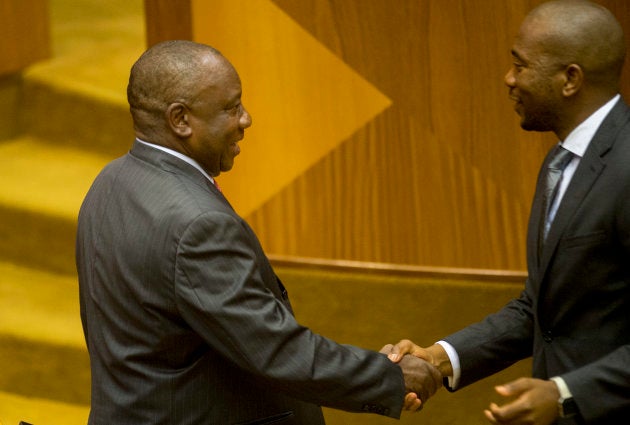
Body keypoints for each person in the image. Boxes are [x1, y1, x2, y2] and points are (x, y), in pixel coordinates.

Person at [75, 40, 441, 425]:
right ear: (180, 120)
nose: (246, 120)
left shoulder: (109, 183)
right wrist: (390, 376)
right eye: (232, 108)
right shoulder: (198, 225)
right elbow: (276, 350)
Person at [386, 1, 630, 424]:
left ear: (569, 79)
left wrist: (566, 394)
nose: (509, 79)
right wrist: (439, 359)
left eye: (521, 65)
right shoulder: (559, 163)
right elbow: (540, 310)